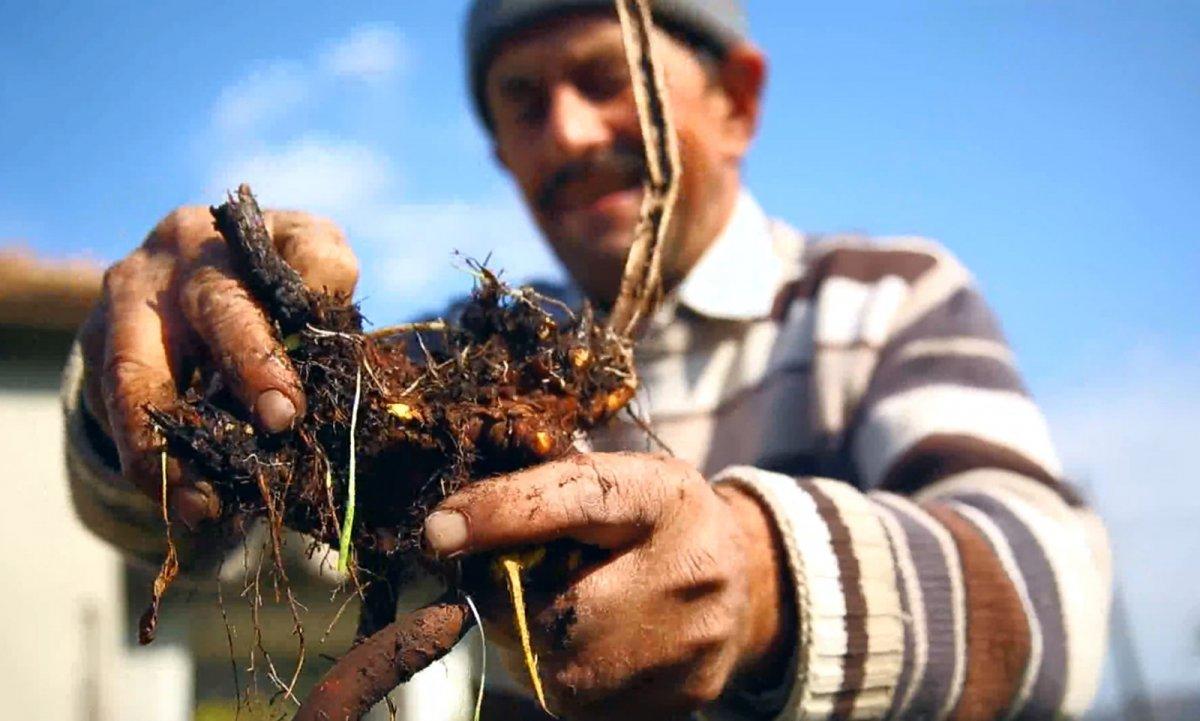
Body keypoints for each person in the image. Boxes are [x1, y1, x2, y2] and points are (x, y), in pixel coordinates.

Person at [62, 1, 1112, 719]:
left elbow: (1051, 593)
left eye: (610, 81)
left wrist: (764, 583)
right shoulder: (455, 361)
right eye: (523, 100)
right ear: (501, 151)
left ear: (735, 103)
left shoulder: (882, 299)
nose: (566, 134)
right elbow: (176, 518)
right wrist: (177, 377)